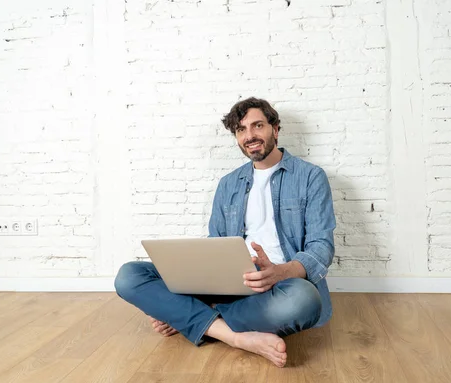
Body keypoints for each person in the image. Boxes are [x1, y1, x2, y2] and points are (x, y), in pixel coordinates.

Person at [114, 97, 336, 367]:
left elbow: (321, 247)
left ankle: (194, 317)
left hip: (282, 284)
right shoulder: (228, 184)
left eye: (257, 126)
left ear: (275, 129)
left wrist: (280, 272)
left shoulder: (311, 177)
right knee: (129, 275)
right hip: (229, 283)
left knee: (305, 301)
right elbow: (215, 245)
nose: (250, 136)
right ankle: (235, 337)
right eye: (241, 130)